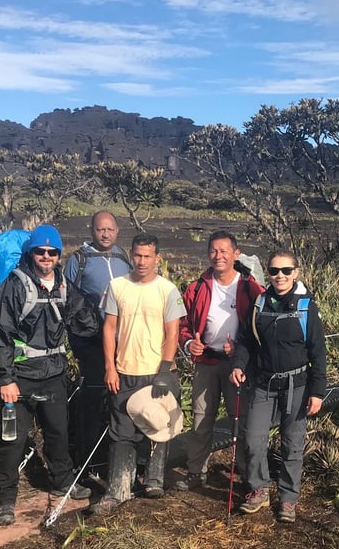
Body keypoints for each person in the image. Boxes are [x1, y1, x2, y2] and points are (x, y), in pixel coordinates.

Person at [0, 223, 102, 526]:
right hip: (20, 375)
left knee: (58, 432)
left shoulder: (64, 287)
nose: (46, 256)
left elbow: (86, 323)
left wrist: (111, 328)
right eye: (40, 250)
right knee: (12, 440)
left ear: (59, 255)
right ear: (32, 252)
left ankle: (62, 480)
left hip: (53, 374)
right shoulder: (14, 286)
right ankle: (5, 498)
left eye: (52, 251)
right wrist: (5, 379)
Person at [89, 233, 185, 512]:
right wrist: (110, 367)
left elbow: (173, 332)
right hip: (125, 370)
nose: (142, 261)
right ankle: (118, 488)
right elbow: (108, 328)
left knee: (157, 425)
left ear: (158, 258)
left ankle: (153, 480)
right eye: (137, 255)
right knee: (121, 432)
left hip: (156, 371)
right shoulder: (117, 286)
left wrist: (165, 370)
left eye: (148, 256)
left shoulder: (167, 290)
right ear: (130, 255)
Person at [230, 250, 327, 523]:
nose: (280, 276)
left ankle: (288, 498)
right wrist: (239, 365)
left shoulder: (307, 306)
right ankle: (259, 489)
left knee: (292, 444)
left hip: (297, 385)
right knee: (253, 439)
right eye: (274, 271)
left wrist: (317, 391)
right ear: (268, 274)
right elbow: (246, 341)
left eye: (286, 270)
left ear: (296, 272)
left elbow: (318, 351)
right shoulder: (260, 304)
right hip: (264, 383)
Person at [176, 230, 263, 491]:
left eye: (224, 251)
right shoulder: (197, 287)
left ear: (236, 254)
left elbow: (262, 327)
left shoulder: (250, 288)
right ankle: (196, 472)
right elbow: (183, 324)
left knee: (244, 419)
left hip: (239, 366)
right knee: (202, 420)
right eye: (214, 250)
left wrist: (240, 350)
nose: (218, 256)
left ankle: (249, 475)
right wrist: (190, 343)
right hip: (205, 362)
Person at [63, 211, 132, 473]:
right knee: (91, 400)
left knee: (120, 400)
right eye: (101, 229)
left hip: (122, 342)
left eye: (110, 229)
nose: (106, 234)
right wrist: (77, 345)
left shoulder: (123, 258)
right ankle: (87, 460)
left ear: (117, 230)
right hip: (91, 343)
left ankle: (114, 456)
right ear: (92, 230)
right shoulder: (79, 260)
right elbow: (67, 301)